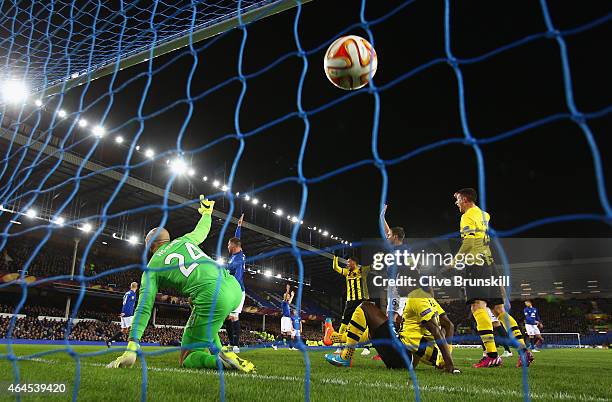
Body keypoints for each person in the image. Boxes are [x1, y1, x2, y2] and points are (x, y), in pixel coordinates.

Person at [106, 195, 255, 373]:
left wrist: (131, 348)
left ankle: (221, 360)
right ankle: (220, 351)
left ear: (150, 247)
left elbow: (144, 308)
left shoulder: (151, 268)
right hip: (233, 287)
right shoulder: (184, 240)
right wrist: (207, 213)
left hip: (213, 296)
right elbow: (202, 230)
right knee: (196, 306)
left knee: (187, 357)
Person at [452, 188, 533, 368]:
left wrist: (454, 261)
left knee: (477, 306)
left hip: (476, 265)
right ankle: (523, 350)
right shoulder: (484, 215)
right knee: (498, 310)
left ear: (465, 199)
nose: (456, 203)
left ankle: (491, 355)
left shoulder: (466, 216)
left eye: (457, 199)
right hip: (490, 263)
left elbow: (470, 242)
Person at [324, 285, 459, 374]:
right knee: (374, 330)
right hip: (407, 355)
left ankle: (346, 355)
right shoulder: (429, 300)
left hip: (402, 357)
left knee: (366, 307)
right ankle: (334, 337)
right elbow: (449, 325)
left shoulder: (415, 298)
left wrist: (449, 364)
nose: (397, 287)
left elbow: (435, 330)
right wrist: (445, 355)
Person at [325, 255, 370, 355]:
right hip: (350, 302)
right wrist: (335, 257)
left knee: (364, 324)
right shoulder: (347, 272)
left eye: (349, 262)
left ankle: (366, 347)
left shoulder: (362, 270)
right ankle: (339, 347)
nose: (347, 264)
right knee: (343, 324)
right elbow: (335, 267)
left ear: (354, 262)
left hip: (362, 301)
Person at [225, 213, 246, 353]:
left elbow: (238, 277)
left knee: (234, 316)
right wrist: (238, 226)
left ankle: (236, 345)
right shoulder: (234, 255)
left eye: (228, 244)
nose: (227, 246)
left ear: (233, 246)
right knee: (227, 317)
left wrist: (233, 290)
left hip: (237, 290)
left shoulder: (239, 259)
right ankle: (231, 343)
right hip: (230, 289)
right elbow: (237, 240)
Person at [106, 281, 138, 347]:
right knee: (133, 327)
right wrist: (125, 312)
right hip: (128, 313)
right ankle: (133, 344)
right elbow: (127, 304)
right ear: (136, 287)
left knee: (124, 330)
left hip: (125, 313)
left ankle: (109, 340)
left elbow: (126, 303)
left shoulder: (127, 293)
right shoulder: (132, 294)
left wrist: (123, 312)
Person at [280, 284, 295, 349]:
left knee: (289, 333)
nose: (288, 296)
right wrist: (288, 290)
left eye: (288, 296)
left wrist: (292, 296)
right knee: (283, 333)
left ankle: (291, 347)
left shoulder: (287, 304)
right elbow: (286, 298)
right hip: (285, 319)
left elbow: (289, 301)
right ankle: (275, 345)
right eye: (288, 296)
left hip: (287, 319)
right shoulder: (284, 302)